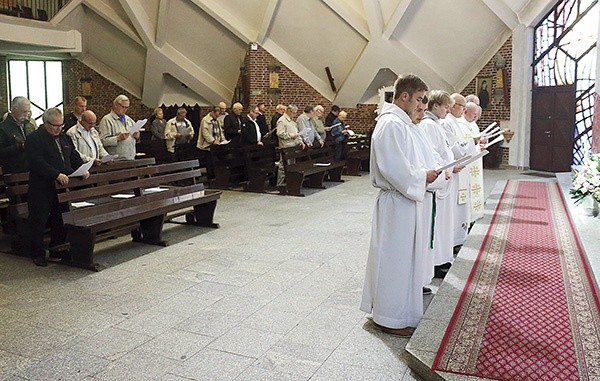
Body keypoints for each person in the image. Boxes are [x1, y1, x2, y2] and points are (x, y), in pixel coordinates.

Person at [360, 73, 439, 338]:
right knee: (394, 261)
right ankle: (388, 318)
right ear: (403, 96)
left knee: (403, 262)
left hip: (406, 201)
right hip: (397, 202)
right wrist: (422, 177)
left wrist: (426, 174)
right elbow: (394, 168)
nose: (422, 105)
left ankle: (399, 312)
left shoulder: (402, 124)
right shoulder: (391, 124)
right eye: (418, 99)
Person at [25, 107, 89, 266]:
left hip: (62, 187)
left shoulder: (64, 137)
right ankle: (37, 253)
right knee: (39, 220)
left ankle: (57, 249)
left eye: (61, 126)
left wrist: (82, 169)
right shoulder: (35, 138)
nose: (58, 129)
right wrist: (55, 174)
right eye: (55, 126)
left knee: (60, 219)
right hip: (42, 186)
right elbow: (37, 162)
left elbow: (73, 155)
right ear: (45, 123)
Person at [420, 90, 461, 277]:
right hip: (438, 180)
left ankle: (442, 258)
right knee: (437, 223)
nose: (447, 110)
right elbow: (431, 154)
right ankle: (436, 262)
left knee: (444, 222)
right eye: (445, 106)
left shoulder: (436, 124)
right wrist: (447, 168)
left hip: (445, 178)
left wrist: (452, 166)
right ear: (435, 105)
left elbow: (444, 151)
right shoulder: (429, 125)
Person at [98, 95, 139, 160]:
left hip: (131, 158)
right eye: (123, 107)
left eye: (127, 107)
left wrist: (137, 136)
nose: (125, 110)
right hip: (116, 161)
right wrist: (117, 138)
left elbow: (136, 139)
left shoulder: (129, 120)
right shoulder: (107, 120)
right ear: (115, 105)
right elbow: (102, 141)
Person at [0, 96, 34, 174]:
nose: (26, 115)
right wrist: (20, 146)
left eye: (28, 112)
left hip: (32, 169)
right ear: (14, 109)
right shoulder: (3, 128)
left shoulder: (29, 126)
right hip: (13, 171)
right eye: (24, 111)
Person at [276, 105, 304, 187]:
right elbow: (280, 133)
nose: (295, 115)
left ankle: (290, 182)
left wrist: (300, 141)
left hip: (293, 146)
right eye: (294, 113)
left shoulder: (292, 121)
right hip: (286, 146)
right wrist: (291, 135)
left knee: (292, 165)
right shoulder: (282, 121)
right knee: (283, 166)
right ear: (289, 111)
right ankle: (280, 184)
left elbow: (297, 133)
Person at [197, 106, 225, 179]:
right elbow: (205, 133)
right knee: (210, 163)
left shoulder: (217, 120)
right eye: (216, 115)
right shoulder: (205, 120)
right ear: (212, 112)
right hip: (208, 146)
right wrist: (213, 141)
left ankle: (217, 176)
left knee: (216, 162)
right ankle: (210, 178)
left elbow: (220, 131)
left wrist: (223, 140)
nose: (217, 116)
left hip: (217, 145)